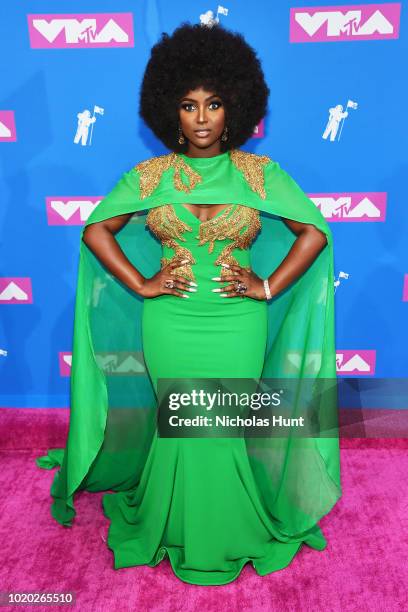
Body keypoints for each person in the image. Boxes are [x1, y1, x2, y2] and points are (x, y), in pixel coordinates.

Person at [37, 22, 341, 586]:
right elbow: (97, 230)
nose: (202, 117)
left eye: (215, 103)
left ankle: (228, 525)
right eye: (188, 105)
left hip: (237, 322)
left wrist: (268, 286)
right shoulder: (150, 178)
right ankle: (172, 520)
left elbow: (314, 232)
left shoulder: (260, 174)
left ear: (235, 108)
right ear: (169, 111)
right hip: (171, 321)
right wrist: (142, 283)